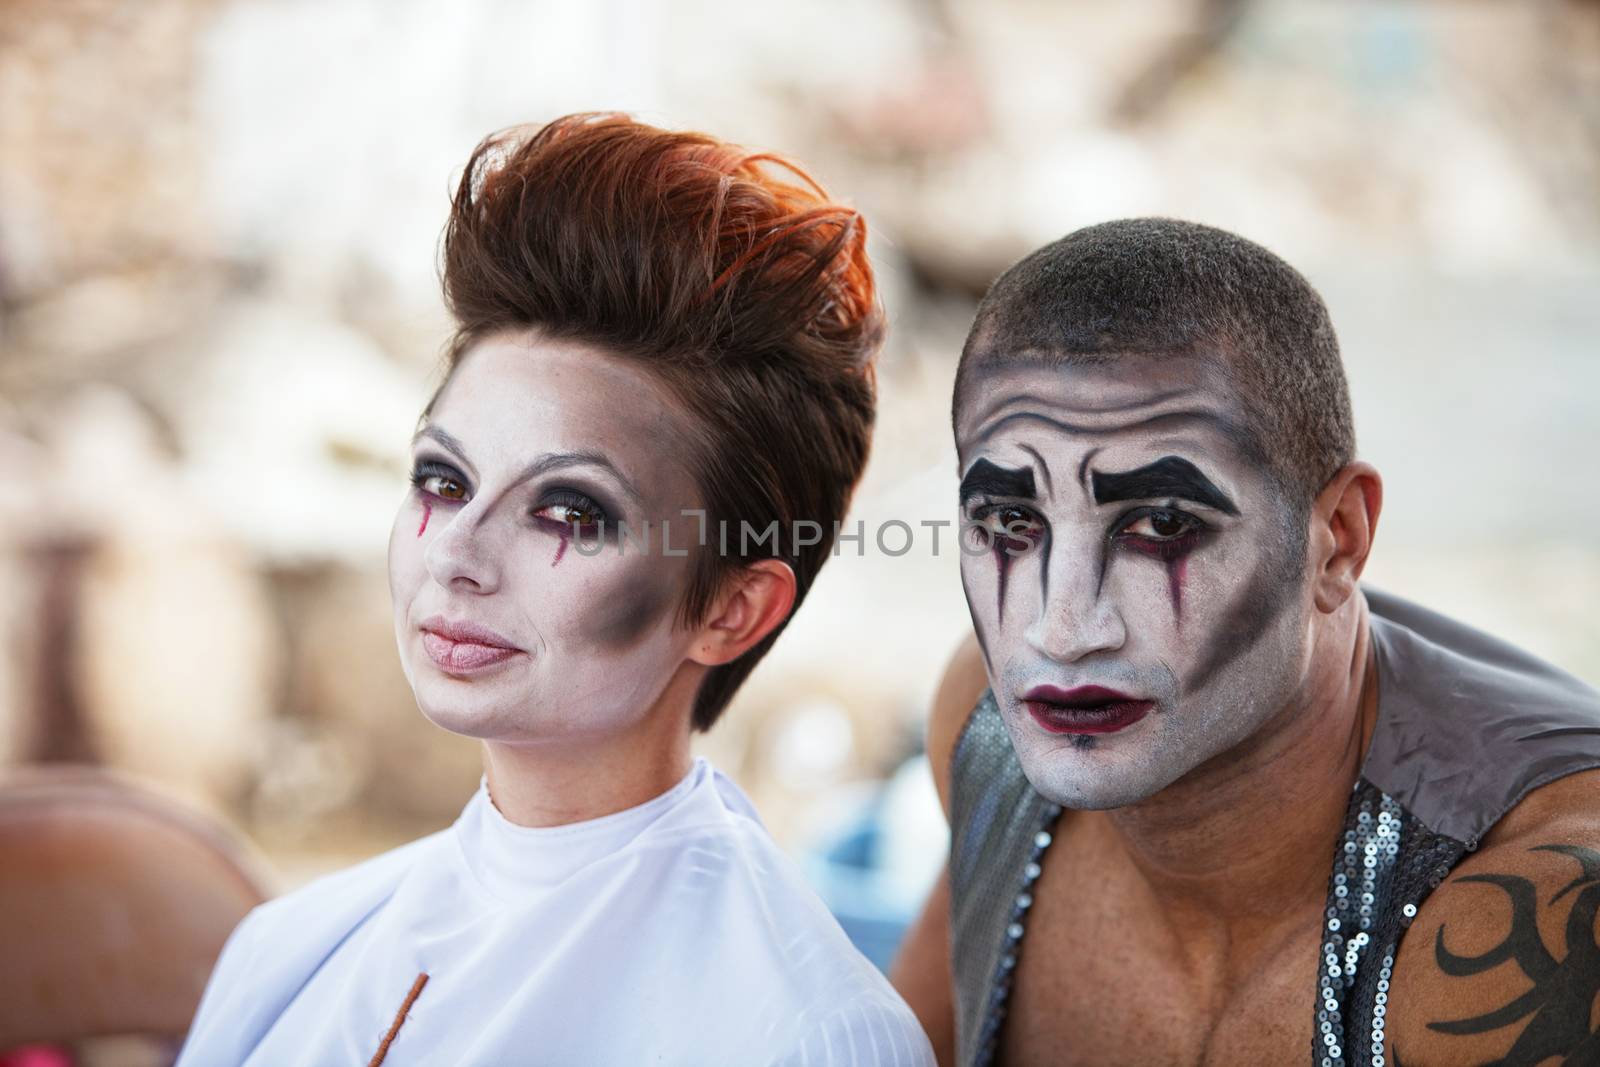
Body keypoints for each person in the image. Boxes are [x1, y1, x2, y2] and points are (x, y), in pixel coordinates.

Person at [175, 114, 934, 1067]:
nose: (457, 553)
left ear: (732, 607)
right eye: (443, 480)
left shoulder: (807, 1034)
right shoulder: (288, 951)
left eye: (568, 512)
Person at [890, 218, 1600, 1066]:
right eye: (1013, 520)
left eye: (1159, 523)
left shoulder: (1530, 926)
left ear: (1336, 537)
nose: (1061, 627)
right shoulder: (986, 731)